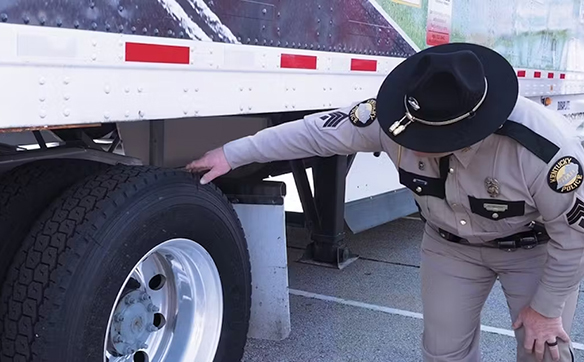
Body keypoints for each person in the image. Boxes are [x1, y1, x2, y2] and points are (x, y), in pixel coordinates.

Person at [186, 42, 584, 362]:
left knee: (545, 351)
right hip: (450, 249)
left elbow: (575, 238)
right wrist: (233, 153)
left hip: (533, 250)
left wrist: (546, 310)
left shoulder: (544, 150)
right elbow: (316, 133)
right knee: (443, 353)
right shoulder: (394, 118)